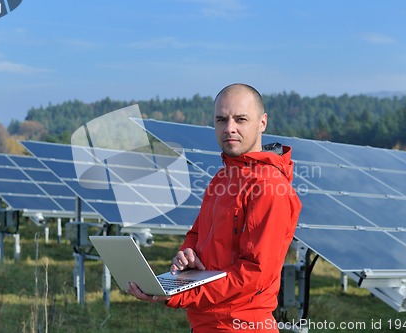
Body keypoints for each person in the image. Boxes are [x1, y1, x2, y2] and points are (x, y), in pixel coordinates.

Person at [128, 83, 302, 332]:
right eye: (221, 120)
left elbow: (254, 275)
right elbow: (197, 234)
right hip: (205, 323)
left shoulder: (270, 187)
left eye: (240, 119)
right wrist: (187, 254)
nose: (229, 128)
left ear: (262, 122)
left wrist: (177, 295)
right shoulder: (222, 178)